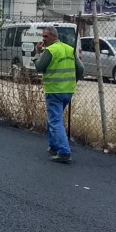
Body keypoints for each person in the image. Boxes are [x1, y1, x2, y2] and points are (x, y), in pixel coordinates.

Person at [32, 27, 84, 164]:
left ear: (54, 37)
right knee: (54, 118)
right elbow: (81, 68)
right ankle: (54, 145)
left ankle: (64, 151)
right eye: (43, 36)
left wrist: (37, 53)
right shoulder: (68, 48)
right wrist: (73, 81)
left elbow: (39, 67)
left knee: (55, 120)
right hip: (68, 91)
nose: (43, 39)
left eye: (46, 36)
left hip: (54, 90)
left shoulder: (50, 50)